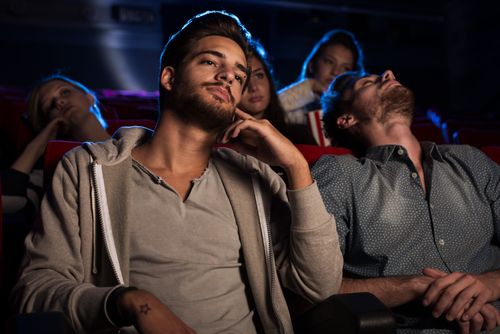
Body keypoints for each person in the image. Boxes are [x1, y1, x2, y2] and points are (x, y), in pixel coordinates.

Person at [12, 11, 342, 333]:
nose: (229, 76)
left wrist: (296, 167)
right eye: (212, 62)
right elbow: (35, 291)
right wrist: (130, 302)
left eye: (239, 75)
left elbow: (319, 286)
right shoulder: (85, 169)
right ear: (169, 77)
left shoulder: (255, 175)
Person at [312, 69, 500, 333]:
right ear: (347, 118)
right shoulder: (341, 174)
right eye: (368, 82)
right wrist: (416, 286)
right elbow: (311, 288)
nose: (387, 73)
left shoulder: (472, 161)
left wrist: (490, 284)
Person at [1, 75, 110, 217]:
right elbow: (7, 202)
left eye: (65, 92)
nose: (59, 101)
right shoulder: (49, 171)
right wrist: (37, 146)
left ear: (90, 98)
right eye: (50, 106)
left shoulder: (135, 138)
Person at [278, 29, 364, 146]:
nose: (336, 72)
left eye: (345, 68)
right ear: (312, 65)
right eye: (329, 62)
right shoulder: (293, 112)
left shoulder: (355, 118)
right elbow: (266, 112)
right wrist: (309, 85)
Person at [238, 39, 289, 138]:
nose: (253, 87)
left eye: (259, 75)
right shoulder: (218, 144)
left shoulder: (300, 136)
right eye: (242, 79)